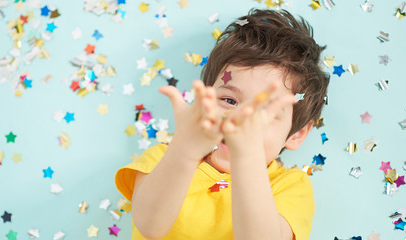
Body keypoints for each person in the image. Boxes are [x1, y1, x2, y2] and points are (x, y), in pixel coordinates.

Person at [115, 8, 329, 240]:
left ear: (296, 134)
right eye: (229, 100)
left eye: (264, 112)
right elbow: (149, 226)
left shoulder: (290, 186)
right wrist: (185, 151)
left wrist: (246, 157)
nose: (239, 119)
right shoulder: (164, 158)